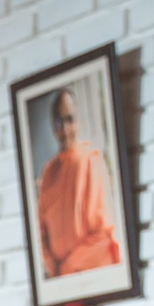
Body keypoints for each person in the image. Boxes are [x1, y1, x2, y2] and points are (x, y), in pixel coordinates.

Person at [36, 87, 122, 279]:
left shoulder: (91, 159)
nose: (65, 129)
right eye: (58, 122)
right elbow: (40, 232)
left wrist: (68, 265)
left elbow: (104, 233)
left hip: (94, 272)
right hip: (61, 280)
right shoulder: (49, 172)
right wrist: (54, 268)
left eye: (69, 120)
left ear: (78, 119)